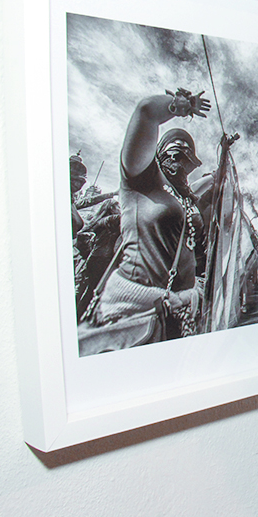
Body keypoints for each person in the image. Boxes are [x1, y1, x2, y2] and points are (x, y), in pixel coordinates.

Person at [88, 88, 212, 342]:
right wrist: (179, 105)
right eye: (175, 156)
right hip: (134, 313)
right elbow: (146, 112)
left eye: (187, 162)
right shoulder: (141, 180)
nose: (180, 165)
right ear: (159, 155)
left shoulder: (185, 199)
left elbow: (209, 182)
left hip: (179, 314)